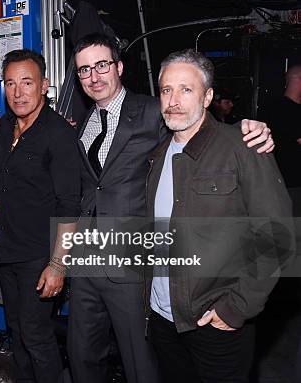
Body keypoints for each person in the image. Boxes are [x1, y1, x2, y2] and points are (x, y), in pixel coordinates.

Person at [67, 32, 275, 383]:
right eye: (85, 70)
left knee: (141, 362)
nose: (94, 76)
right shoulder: (83, 121)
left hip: (133, 259)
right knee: (81, 354)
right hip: (89, 255)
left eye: (102, 65)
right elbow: (90, 189)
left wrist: (248, 127)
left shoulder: (154, 111)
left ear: (118, 67)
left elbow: (200, 131)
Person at [146, 48, 293, 382]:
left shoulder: (242, 146)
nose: (174, 100)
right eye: (167, 90)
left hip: (215, 322)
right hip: (162, 321)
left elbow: (278, 236)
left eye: (186, 89)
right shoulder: (156, 157)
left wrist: (236, 308)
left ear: (208, 96)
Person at [0, 49, 81, 383]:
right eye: (10, 83)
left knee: (36, 336)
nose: (17, 92)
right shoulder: (5, 126)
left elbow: (70, 206)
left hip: (40, 256)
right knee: (17, 332)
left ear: (44, 86)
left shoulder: (59, 135)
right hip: (9, 251)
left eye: (27, 82)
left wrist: (57, 265)